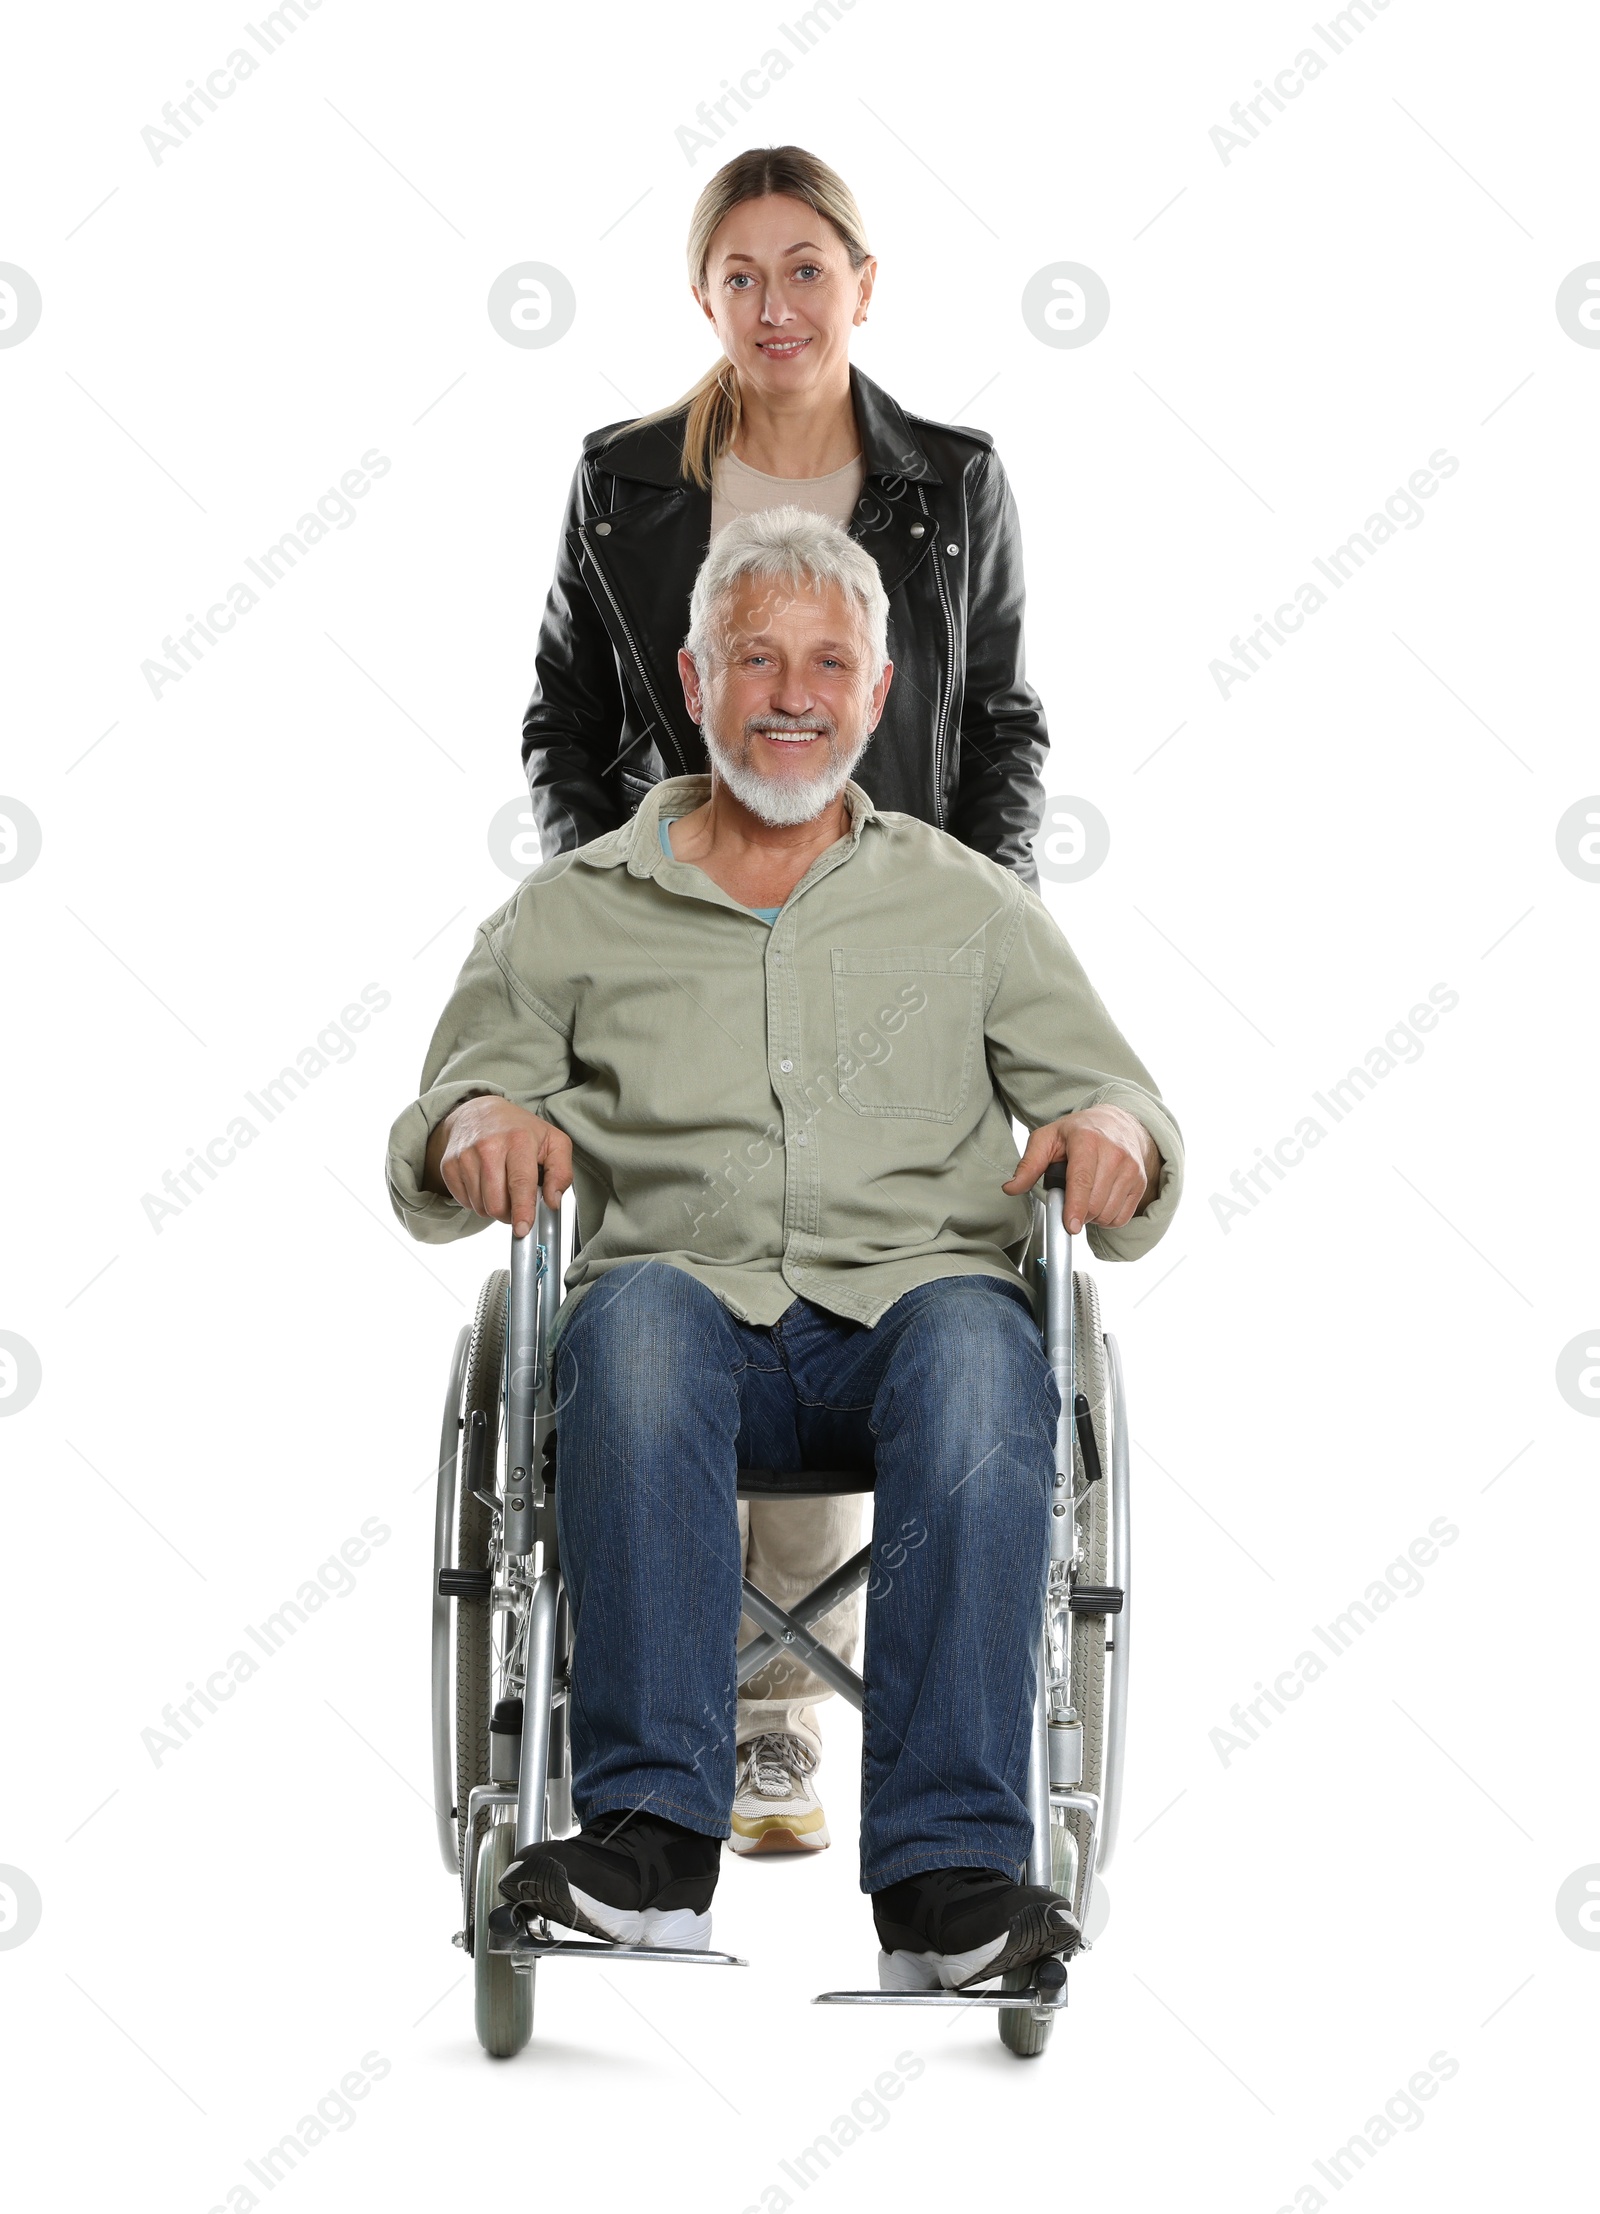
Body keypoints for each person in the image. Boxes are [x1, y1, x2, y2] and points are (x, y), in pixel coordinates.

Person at [388, 510, 1182, 1990]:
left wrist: (1116, 1136)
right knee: (623, 1331)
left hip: (909, 1318)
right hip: (678, 1327)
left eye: (830, 661)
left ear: (879, 696)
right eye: (758, 656)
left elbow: (1117, 1098)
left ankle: (950, 1878)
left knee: (974, 1343)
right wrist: (479, 1119)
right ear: (696, 680)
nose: (794, 691)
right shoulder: (572, 912)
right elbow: (450, 1109)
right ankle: (644, 1844)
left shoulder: (971, 905)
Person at [519, 144, 1052, 1856]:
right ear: (703, 295)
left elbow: (1002, 731)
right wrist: (628, 901)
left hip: (900, 937)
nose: (775, 302)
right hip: (685, 931)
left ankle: (891, 1806)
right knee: (700, 1248)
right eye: (739, 272)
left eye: (806, 266)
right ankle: (708, 1756)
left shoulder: (951, 483)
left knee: (884, 1250)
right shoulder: (620, 483)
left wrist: (979, 928)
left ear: (865, 282)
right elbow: (566, 715)